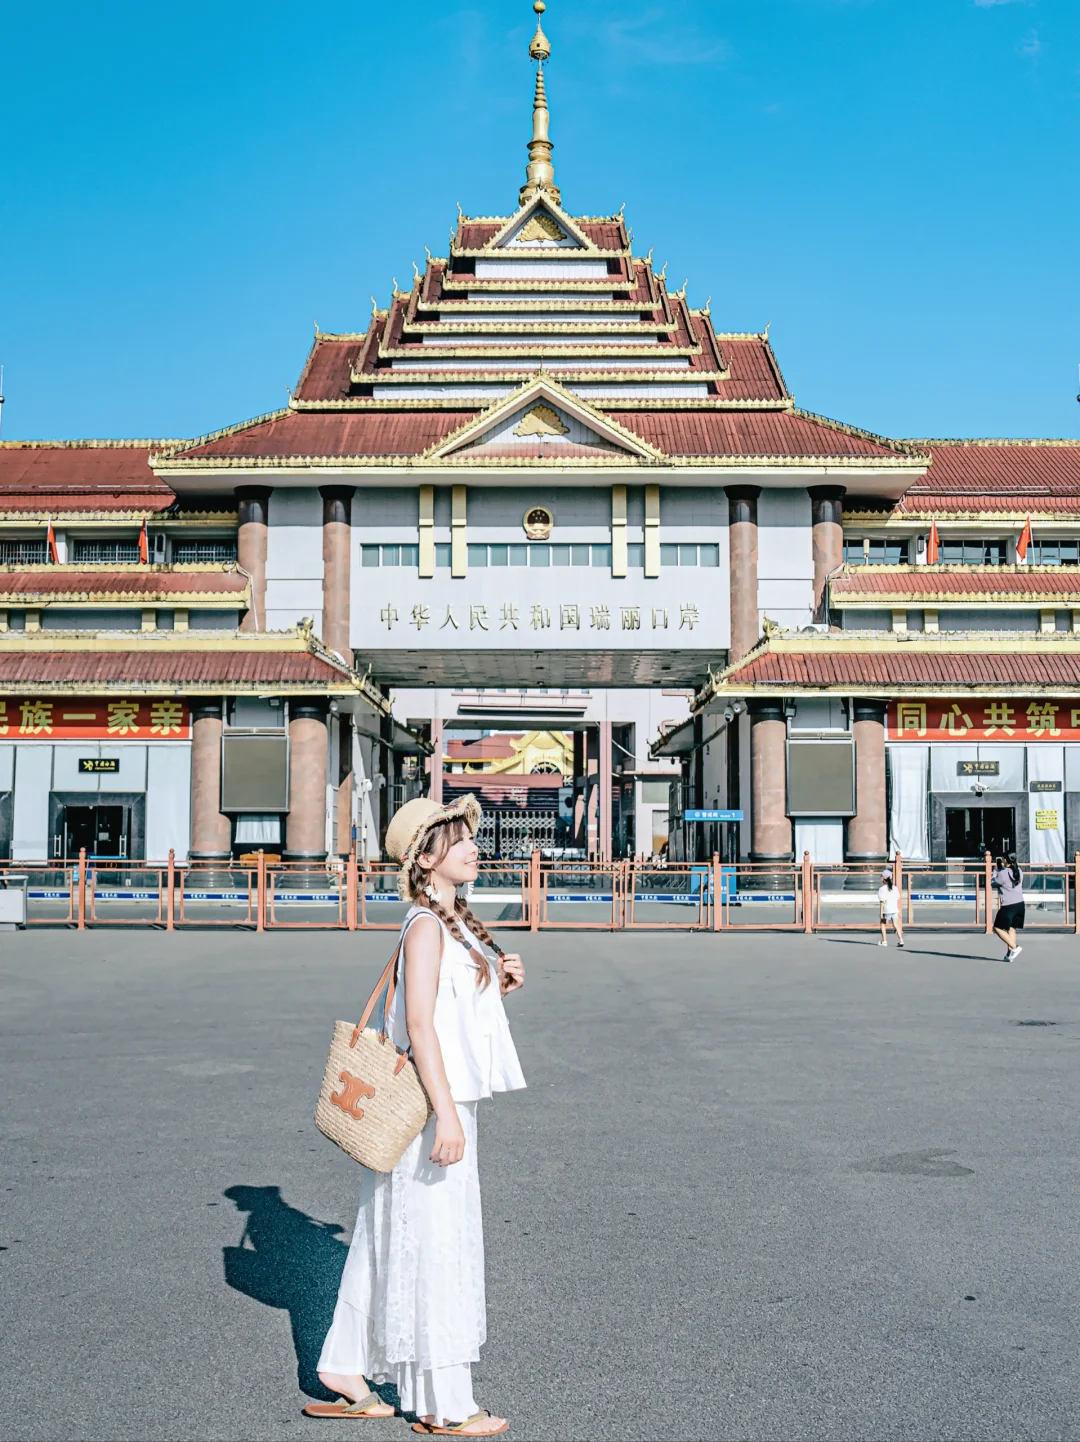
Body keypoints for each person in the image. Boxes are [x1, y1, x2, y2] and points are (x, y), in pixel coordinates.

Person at [304, 794, 525, 1437]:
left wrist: (498, 981)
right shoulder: (426, 926)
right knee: (435, 1242)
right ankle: (443, 1403)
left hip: (439, 1101)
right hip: (432, 1106)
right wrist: (447, 1118)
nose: (474, 847)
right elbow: (421, 1028)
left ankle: (344, 1366)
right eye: (459, 840)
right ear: (426, 858)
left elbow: (447, 1013)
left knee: (390, 1232)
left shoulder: (451, 924)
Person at [992, 852, 1025, 962]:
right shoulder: (1019, 871)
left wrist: (995, 872)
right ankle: (1010, 955)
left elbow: (993, 883)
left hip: (1008, 905)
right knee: (1011, 928)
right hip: (1020, 904)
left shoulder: (1002, 873)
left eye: (1003, 859)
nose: (1002, 861)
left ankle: (1014, 948)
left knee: (997, 928)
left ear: (1006, 860)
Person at [877, 868, 904, 948]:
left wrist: (881, 913)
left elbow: (882, 902)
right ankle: (901, 940)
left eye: (882, 877)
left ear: (884, 878)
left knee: (883, 924)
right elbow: (897, 897)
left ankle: (884, 941)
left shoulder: (882, 889)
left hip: (886, 910)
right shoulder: (895, 888)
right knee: (895, 924)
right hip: (894, 909)